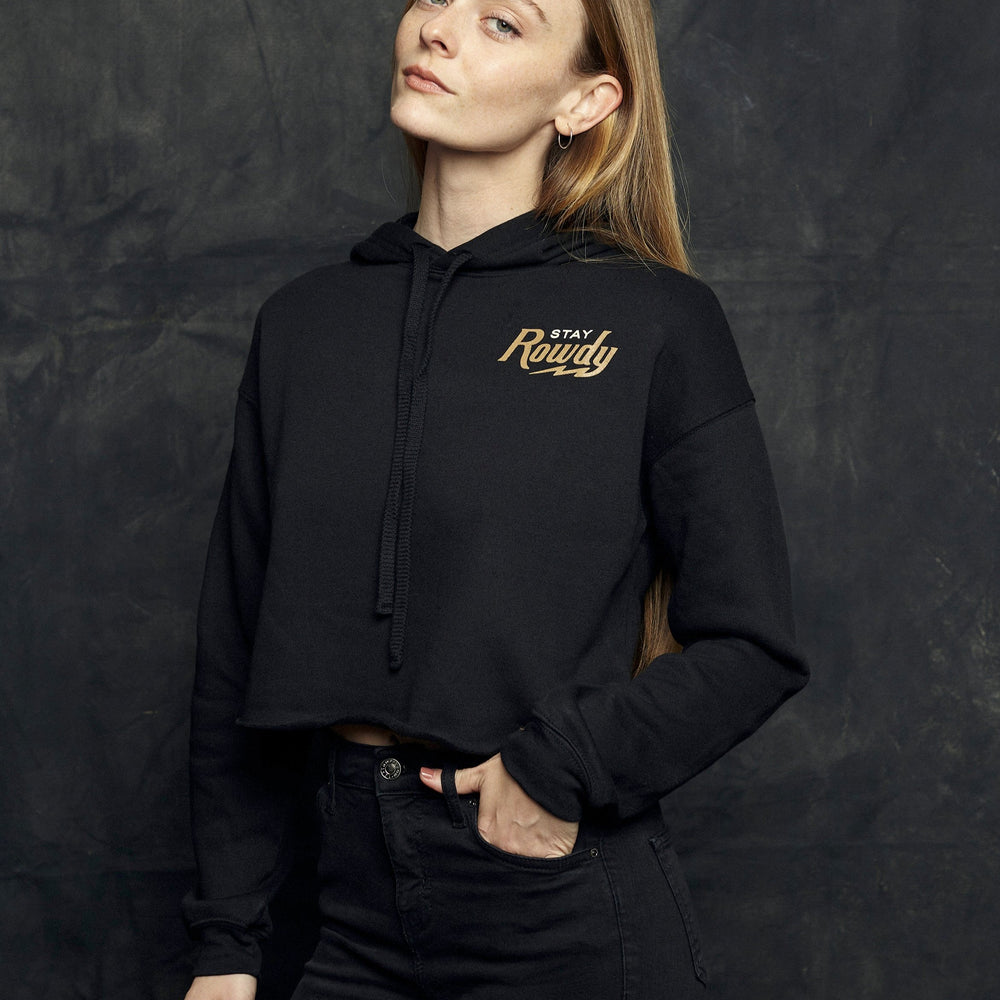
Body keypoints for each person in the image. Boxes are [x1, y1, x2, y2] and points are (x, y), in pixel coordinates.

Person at [181, 0, 809, 997]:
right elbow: (234, 651)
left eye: (503, 23)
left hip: (556, 904)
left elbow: (752, 644)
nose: (438, 30)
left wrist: (559, 765)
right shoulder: (305, 324)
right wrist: (226, 942)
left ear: (584, 100)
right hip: (349, 913)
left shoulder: (655, 321)